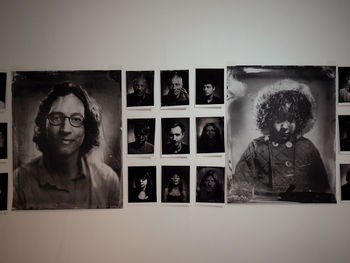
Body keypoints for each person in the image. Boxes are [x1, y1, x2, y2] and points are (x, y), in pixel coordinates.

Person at [13, 81, 121, 209]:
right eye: (57, 118)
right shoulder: (19, 180)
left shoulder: (108, 181)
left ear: (87, 129)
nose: (65, 129)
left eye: (76, 119)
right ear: (44, 124)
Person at [232, 79, 334, 203]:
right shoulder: (257, 147)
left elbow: (322, 186)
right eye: (279, 120)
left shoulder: (307, 147)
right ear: (268, 120)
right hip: (265, 206)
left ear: (299, 120)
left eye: (290, 120)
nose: (285, 126)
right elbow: (241, 184)